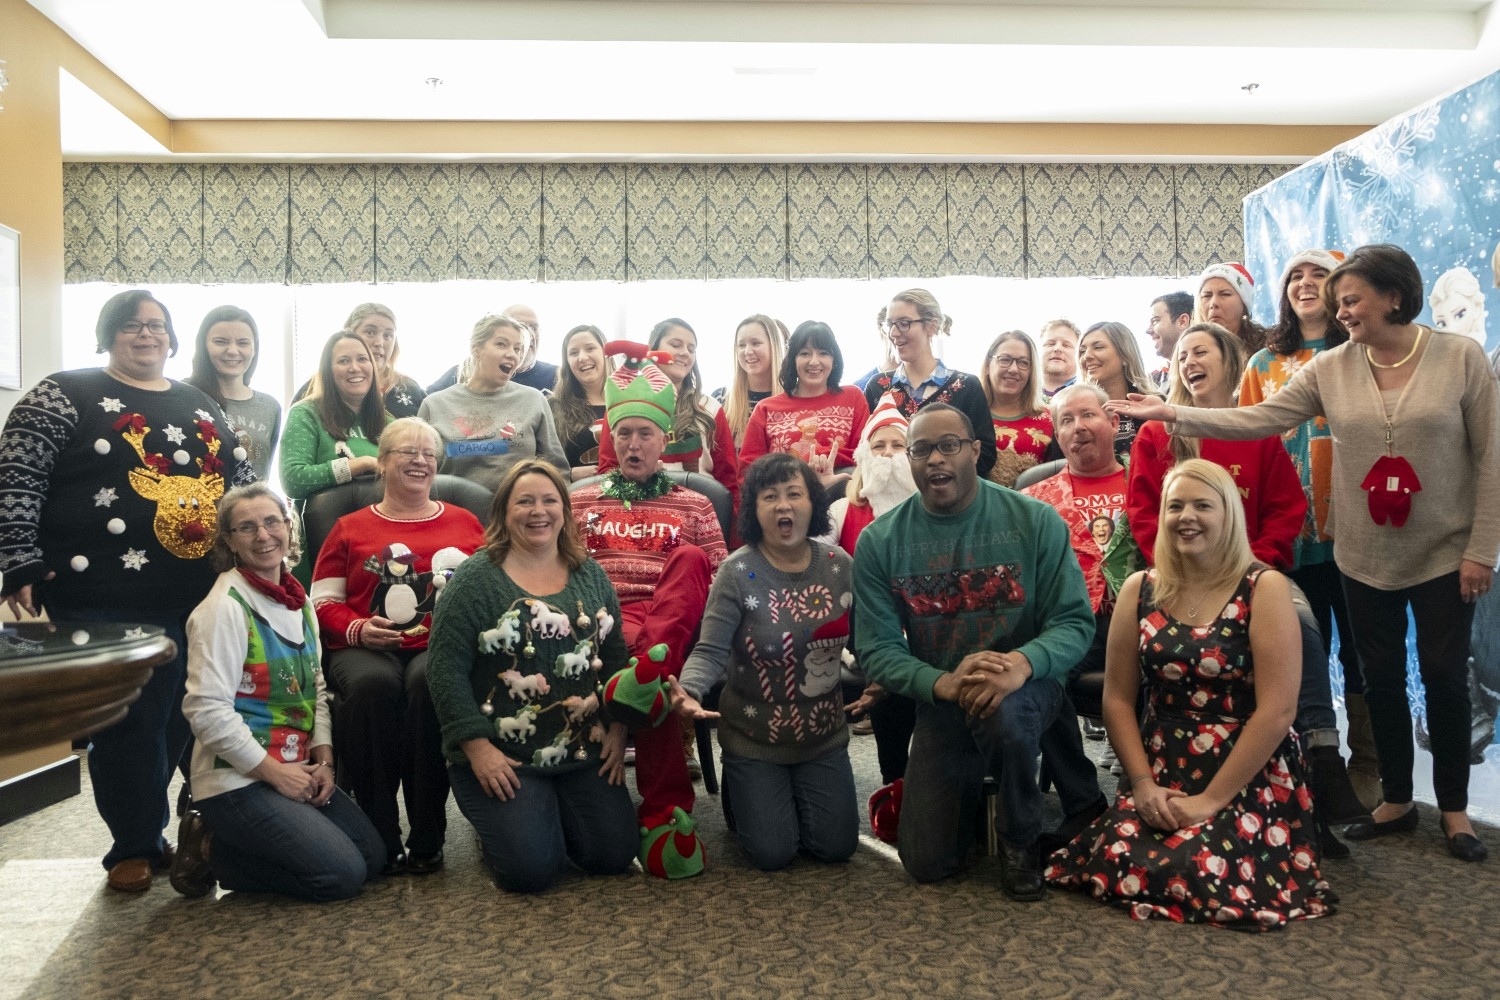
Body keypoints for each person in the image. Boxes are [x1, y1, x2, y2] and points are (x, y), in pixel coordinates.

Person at [1111, 244, 1500, 863]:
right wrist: (1173, 412)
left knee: (1446, 675)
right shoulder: (1332, 368)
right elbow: (1260, 419)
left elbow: (1491, 458)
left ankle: (1453, 809)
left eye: (1352, 299)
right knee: (1378, 679)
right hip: (1363, 553)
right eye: (1339, 302)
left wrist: (1482, 549)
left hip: (1446, 551)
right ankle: (1397, 799)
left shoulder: (1460, 357)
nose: (1341, 311)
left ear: (1394, 296)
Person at [0, 289, 253, 893]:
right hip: (99, 592)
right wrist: (20, 562)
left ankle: (158, 830)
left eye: (158, 327)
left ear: (171, 337)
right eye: (133, 326)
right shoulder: (62, 393)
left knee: (180, 719)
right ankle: (132, 847)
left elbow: (239, 487)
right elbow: (17, 477)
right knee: (129, 721)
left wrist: (258, 559)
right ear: (108, 333)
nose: (147, 336)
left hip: (196, 592)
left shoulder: (200, 404)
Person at [1045, 460, 1336, 929]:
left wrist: (1209, 801)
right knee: (1118, 858)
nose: (1187, 516)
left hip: (1247, 767)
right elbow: (1117, 700)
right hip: (1163, 763)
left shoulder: (1265, 587)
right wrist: (1141, 784)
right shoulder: (1140, 589)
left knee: (1198, 870)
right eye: (1175, 505)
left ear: (1229, 516)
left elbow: (1278, 710)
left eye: (1203, 505)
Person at [852, 403, 1095, 901]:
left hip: (1030, 686)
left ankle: (1020, 837)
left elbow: (1074, 623)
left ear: (975, 451)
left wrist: (1019, 666)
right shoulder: (879, 542)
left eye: (949, 446)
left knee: (1006, 716)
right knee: (926, 863)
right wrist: (942, 684)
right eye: (921, 449)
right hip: (946, 695)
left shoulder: (1037, 521)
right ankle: (974, 795)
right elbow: (874, 648)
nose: (935, 460)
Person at [425, 460, 636, 893]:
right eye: (524, 501)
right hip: (502, 755)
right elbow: (443, 671)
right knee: (530, 873)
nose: (538, 511)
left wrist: (619, 726)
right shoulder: (473, 581)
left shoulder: (590, 573)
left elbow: (615, 658)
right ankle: (505, 827)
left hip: (581, 748)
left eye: (549, 501)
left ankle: (549, 813)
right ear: (504, 512)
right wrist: (477, 748)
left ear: (565, 511)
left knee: (613, 856)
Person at [171, 484, 384, 901]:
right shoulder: (222, 609)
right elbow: (206, 712)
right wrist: (275, 774)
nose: (264, 536)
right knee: (340, 876)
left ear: (289, 527)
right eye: (246, 528)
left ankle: (242, 842)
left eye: (272, 522)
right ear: (229, 541)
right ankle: (211, 848)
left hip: (296, 765)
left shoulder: (298, 599)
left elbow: (316, 689)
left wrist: (323, 761)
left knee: (371, 858)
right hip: (235, 778)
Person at [571, 342, 730, 876]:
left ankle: (644, 675)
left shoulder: (696, 503)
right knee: (652, 683)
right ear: (610, 440)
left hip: (671, 626)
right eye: (624, 434)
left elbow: (720, 581)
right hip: (602, 630)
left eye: (645, 434)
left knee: (688, 559)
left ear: (665, 439)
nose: (634, 444)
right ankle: (666, 815)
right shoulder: (577, 503)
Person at [309, 417, 486, 874]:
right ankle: (379, 836)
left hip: (439, 647)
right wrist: (358, 629)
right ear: (383, 462)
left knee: (430, 682)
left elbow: (490, 590)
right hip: (363, 645)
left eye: (428, 453)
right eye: (407, 452)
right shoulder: (349, 527)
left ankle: (428, 836)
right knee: (371, 687)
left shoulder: (466, 522)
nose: (420, 460)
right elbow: (322, 602)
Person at [672, 453, 859, 871]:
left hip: (823, 737)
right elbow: (710, 650)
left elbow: (867, 640)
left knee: (836, 848)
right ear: (755, 511)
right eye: (770, 497)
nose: (783, 506)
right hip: (754, 739)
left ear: (813, 503)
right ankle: (746, 794)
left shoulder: (840, 567)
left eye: (795, 494)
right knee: (772, 854)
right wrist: (688, 691)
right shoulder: (737, 572)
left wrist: (883, 678)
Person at [1240, 248, 1378, 807]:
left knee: (1362, 653)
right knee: (1297, 654)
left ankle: (1368, 763)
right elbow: (1248, 445)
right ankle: (1306, 768)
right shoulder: (1261, 365)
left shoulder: (1363, 355)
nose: (1304, 283)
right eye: (1295, 275)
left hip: (1354, 534)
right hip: (1288, 544)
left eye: (1318, 274)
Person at [1020, 383, 1126, 815]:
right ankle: (1084, 803)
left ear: (1114, 422)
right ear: (1057, 436)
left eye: (1088, 416)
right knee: (1039, 680)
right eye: (1066, 421)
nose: (1078, 428)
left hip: (1145, 619)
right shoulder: (1031, 502)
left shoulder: (1155, 488)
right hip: (1069, 623)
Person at [826, 396, 918, 781]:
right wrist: (816, 497)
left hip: (925, 625)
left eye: (898, 445)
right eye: (878, 446)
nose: (888, 454)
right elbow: (810, 559)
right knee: (890, 665)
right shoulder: (843, 510)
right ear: (864, 456)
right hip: (865, 631)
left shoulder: (933, 508)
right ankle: (894, 779)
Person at [595, 318, 741, 513]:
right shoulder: (624, 405)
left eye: (691, 348)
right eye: (675, 344)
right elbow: (608, 470)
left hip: (701, 516)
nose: (684, 353)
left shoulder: (710, 409)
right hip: (636, 513)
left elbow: (728, 479)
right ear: (653, 349)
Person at [280, 331, 388, 583]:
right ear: (327, 371)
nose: (355, 368)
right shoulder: (306, 413)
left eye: (363, 359)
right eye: (343, 361)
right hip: (323, 547)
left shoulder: (388, 421)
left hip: (379, 547)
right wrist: (358, 465)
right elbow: (293, 479)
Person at [417, 313, 568, 492]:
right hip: (454, 512)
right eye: (501, 344)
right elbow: (418, 471)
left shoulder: (534, 400)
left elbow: (558, 470)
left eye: (518, 349)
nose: (512, 354)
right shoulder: (434, 405)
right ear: (476, 349)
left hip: (517, 513)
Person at [864, 288, 997, 480]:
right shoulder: (878, 386)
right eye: (890, 324)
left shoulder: (967, 387)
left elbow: (985, 455)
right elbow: (866, 450)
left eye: (903, 324)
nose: (893, 333)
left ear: (931, 326)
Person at [737, 320, 869, 484]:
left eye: (823, 353)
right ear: (792, 359)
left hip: (841, 498)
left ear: (834, 359)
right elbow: (747, 473)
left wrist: (822, 455)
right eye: (805, 353)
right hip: (783, 502)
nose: (814, 361)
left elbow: (866, 454)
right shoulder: (766, 408)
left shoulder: (853, 397)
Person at [185, 305, 281, 482]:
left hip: (252, 507)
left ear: (254, 348)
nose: (232, 350)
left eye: (243, 343)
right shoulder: (183, 396)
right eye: (221, 341)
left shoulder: (270, 407)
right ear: (203, 345)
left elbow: (263, 470)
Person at [292, 303, 426, 419]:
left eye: (387, 335)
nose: (379, 342)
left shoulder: (410, 388)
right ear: (350, 334)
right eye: (370, 332)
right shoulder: (315, 387)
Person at [1077, 320, 1160, 463]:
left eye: (1098, 347)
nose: (1087, 356)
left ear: (1124, 355)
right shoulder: (1072, 408)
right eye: (1083, 351)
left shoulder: (1154, 406)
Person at [426, 304, 557, 395]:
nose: (529, 334)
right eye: (520, 325)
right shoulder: (462, 371)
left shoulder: (557, 376)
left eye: (534, 328)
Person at [979, 330, 1054, 488]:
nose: (1013, 369)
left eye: (1023, 362)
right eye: (1005, 360)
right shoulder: (970, 415)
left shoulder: (1051, 419)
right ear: (987, 365)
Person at [549, 324, 614, 481]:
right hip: (575, 499)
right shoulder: (553, 407)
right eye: (573, 353)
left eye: (590, 348)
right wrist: (568, 474)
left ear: (606, 353)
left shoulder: (630, 401)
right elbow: (538, 462)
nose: (582, 358)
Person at [712, 314, 785, 448]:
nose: (747, 351)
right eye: (741, 345)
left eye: (755, 343)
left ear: (774, 346)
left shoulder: (793, 398)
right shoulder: (719, 399)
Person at [1196, 262, 1267, 355]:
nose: (1213, 303)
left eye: (1225, 294)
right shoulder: (1191, 348)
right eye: (1207, 295)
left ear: (1243, 304)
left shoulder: (1266, 348)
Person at [1146, 291, 1193, 388]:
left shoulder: (1206, 373)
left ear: (1182, 321)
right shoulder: (1150, 383)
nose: (1148, 330)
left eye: (1155, 321)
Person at [1038, 319, 1081, 400]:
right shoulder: (1020, 391)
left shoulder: (1088, 394)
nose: (1057, 348)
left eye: (1066, 345)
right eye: (1050, 344)